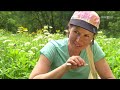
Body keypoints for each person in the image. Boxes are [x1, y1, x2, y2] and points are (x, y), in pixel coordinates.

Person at [29, 11, 115, 79]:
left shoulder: (93, 48)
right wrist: (65, 67)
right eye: (76, 32)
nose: (78, 40)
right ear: (69, 28)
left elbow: (109, 77)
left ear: (93, 37)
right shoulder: (53, 48)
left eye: (86, 36)